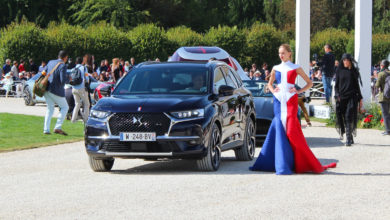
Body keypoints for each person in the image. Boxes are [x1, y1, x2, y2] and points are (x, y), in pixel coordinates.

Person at [250, 44, 336, 175]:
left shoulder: (296, 67)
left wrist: (298, 91)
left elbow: (310, 83)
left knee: (291, 130)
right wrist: (273, 90)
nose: (281, 55)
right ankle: (281, 165)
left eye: (283, 53)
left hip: (291, 100)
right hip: (278, 100)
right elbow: (269, 83)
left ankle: (301, 161)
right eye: (279, 53)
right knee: (278, 127)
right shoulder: (275, 68)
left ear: (290, 53)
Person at [334, 53, 363, 146]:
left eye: (347, 60)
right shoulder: (339, 71)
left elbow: (357, 86)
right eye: (344, 60)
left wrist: (360, 98)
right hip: (342, 98)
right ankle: (349, 135)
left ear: (350, 61)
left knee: (348, 116)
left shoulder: (354, 71)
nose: (345, 62)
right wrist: (337, 95)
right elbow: (336, 86)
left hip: (352, 97)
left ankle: (348, 139)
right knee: (343, 117)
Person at [43, 50, 69, 135]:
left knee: (50, 109)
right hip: (56, 90)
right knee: (65, 107)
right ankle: (57, 127)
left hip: (46, 89)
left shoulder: (50, 62)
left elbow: (43, 72)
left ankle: (46, 129)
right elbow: (62, 81)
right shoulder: (63, 65)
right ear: (65, 57)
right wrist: (69, 79)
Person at [71, 57, 90, 123]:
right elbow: (87, 78)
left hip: (73, 88)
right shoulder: (84, 68)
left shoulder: (73, 69)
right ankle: (85, 120)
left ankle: (73, 119)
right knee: (87, 104)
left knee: (77, 104)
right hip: (81, 88)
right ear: (82, 62)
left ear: (76, 62)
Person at [375, 60, 390, 135]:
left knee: (385, 114)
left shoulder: (381, 73)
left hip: (383, 96)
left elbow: (377, 85)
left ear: (382, 66)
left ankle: (388, 130)